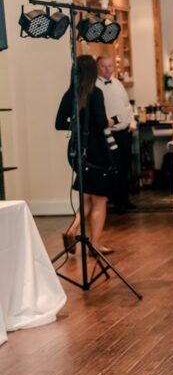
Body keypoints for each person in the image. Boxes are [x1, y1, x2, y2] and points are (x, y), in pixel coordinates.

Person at [54, 55, 115, 256]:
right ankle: (95, 246)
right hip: (96, 152)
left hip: (75, 151)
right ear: (92, 72)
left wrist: (77, 124)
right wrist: (108, 121)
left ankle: (72, 231)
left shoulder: (69, 94)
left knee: (87, 196)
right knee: (100, 200)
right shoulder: (95, 93)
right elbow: (101, 123)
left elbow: (59, 124)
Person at [94, 56, 135, 212]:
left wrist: (132, 122)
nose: (107, 69)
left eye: (110, 66)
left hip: (125, 131)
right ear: (98, 67)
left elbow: (127, 106)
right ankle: (116, 202)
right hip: (108, 133)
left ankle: (125, 199)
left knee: (125, 166)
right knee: (113, 168)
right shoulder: (95, 87)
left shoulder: (118, 83)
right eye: (104, 66)